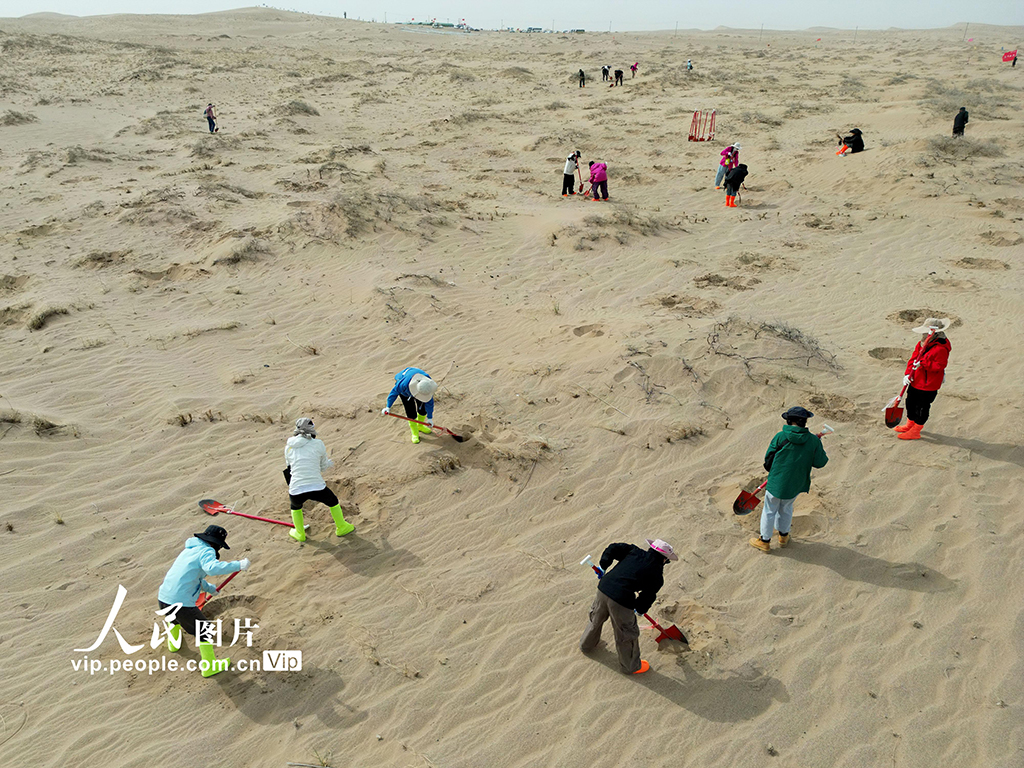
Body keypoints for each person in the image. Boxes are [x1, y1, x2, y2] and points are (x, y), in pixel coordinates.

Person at [157, 525, 249, 677]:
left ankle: (173, 644)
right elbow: (212, 568)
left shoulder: (189, 550)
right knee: (204, 630)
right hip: (181, 603)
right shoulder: (207, 550)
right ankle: (209, 666)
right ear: (216, 544)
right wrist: (238, 565)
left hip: (164, 598)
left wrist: (210, 589)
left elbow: (194, 577)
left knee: (173, 619)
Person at [579, 538, 677, 675]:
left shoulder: (633, 551)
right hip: (621, 601)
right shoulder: (657, 574)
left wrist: (604, 565)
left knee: (596, 618)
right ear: (664, 559)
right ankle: (630, 666)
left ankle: (586, 645)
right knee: (626, 633)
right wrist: (640, 609)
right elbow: (648, 596)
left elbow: (612, 548)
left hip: (603, 588)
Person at [750, 407, 828, 553]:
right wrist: (816, 445)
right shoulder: (812, 440)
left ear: (789, 420)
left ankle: (764, 541)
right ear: (805, 422)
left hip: (776, 482)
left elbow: (768, 459)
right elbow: (820, 462)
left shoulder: (780, 437)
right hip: (795, 484)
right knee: (786, 509)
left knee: (769, 511)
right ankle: (783, 537)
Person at [284, 417, 355, 541]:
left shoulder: (288, 447)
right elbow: (322, 467)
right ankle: (342, 526)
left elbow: (289, 467)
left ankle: (299, 533)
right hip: (316, 485)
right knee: (333, 501)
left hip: (296, 488)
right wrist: (328, 463)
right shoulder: (318, 444)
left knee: (295, 507)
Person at [894, 318, 951, 441]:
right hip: (915, 380)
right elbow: (913, 359)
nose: (923, 335)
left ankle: (916, 430)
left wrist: (923, 363)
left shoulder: (941, 348)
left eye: (926, 333)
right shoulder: (922, 343)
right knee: (910, 402)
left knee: (922, 407)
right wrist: (907, 374)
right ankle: (910, 424)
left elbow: (939, 366)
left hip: (928, 384)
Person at [382, 367, 438, 444]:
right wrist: (388, 407)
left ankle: (420, 426)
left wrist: (430, 418)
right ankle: (414, 432)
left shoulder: (428, 385)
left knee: (423, 409)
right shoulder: (403, 384)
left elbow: (429, 403)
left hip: (421, 387)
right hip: (405, 393)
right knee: (410, 411)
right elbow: (393, 393)